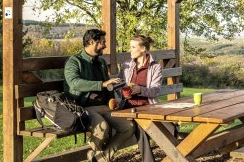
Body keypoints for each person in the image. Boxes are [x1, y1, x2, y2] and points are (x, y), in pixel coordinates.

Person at [64, 29, 134, 162]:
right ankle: (101, 157)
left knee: (128, 127)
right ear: (92, 42)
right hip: (83, 107)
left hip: (103, 106)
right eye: (103, 42)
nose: (105, 45)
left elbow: (108, 86)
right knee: (102, 128)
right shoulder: (74, 62)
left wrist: (112, 100)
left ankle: (100, 158)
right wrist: (102, 84)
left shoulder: (101, 62)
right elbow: (74, 83)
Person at [119, 35, 167, 162]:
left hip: (148, 106)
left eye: (133, 47)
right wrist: (124, 93)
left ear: (143, 49)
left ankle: (176, 155)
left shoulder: (155, 67)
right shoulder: (126, 65)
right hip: (129, 107)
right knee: (142, 126)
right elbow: (119, 87)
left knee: (170, 126)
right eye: (130, 46)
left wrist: (140, 90)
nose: (130, 49)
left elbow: (155, 91)